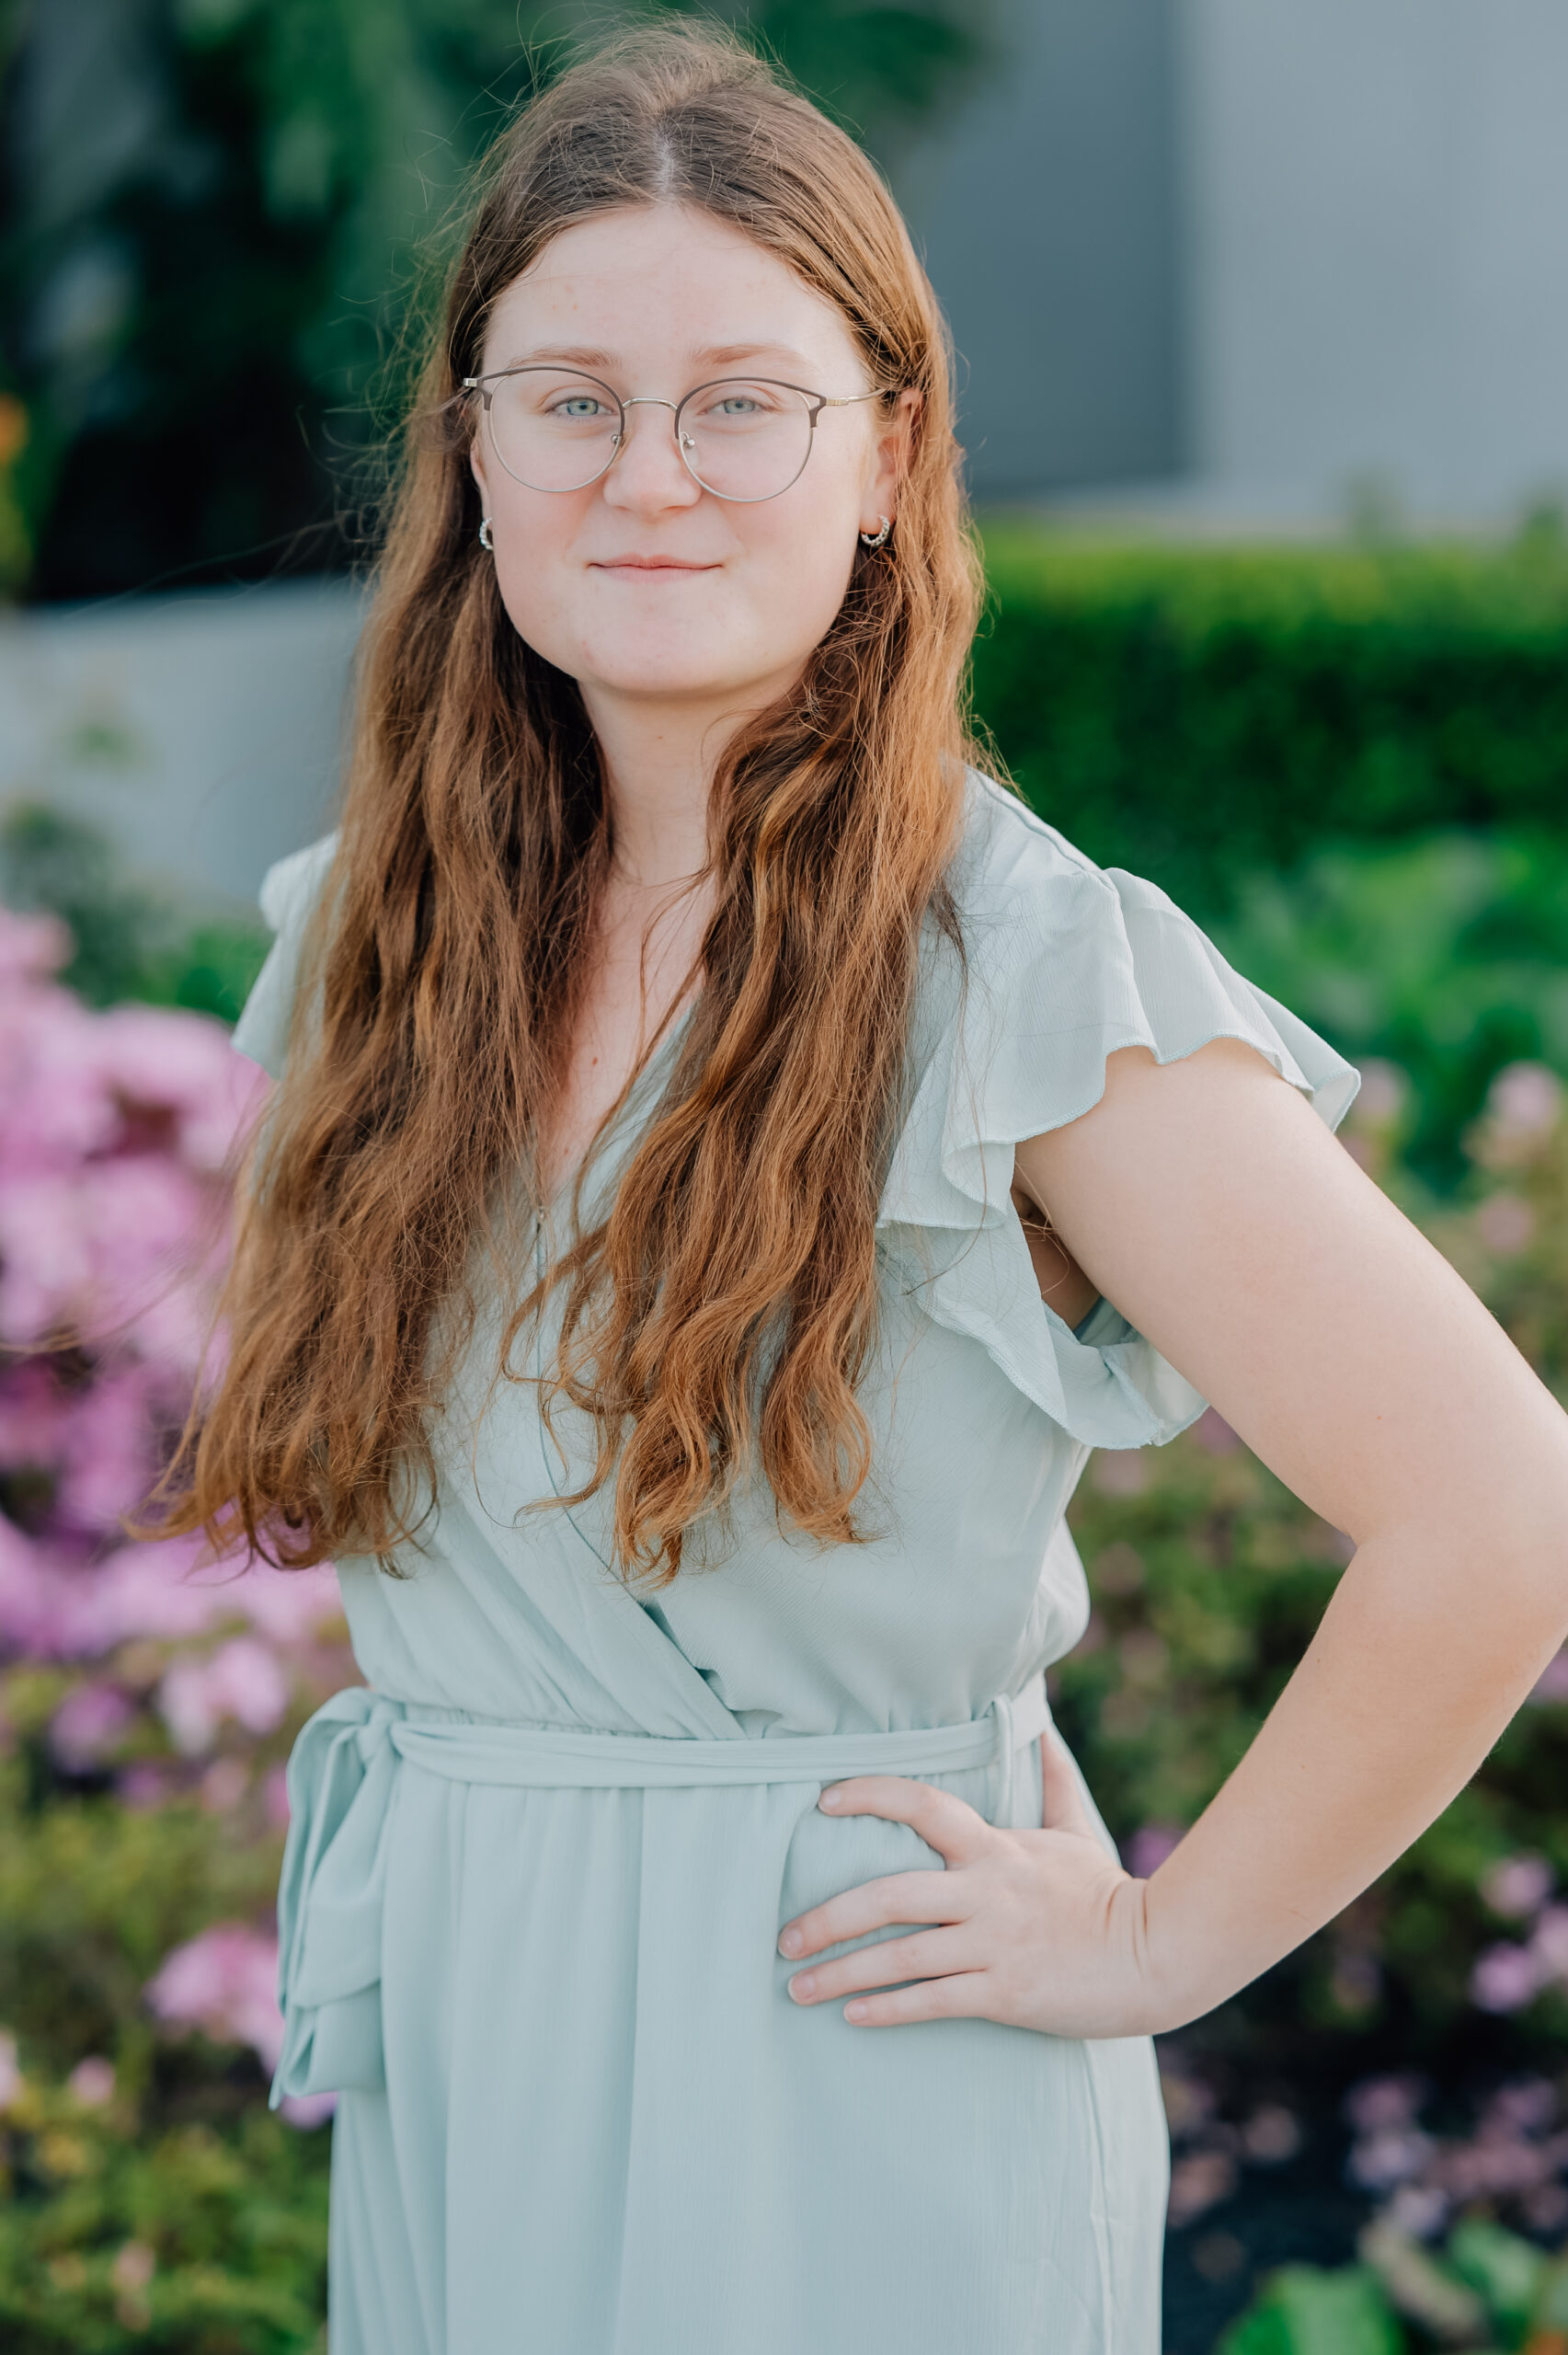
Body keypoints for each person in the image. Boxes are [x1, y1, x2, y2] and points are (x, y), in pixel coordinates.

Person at [164, 24, 1568, 2355]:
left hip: (857, 2045)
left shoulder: (1022, 974)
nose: (651, 476)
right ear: (475, 455)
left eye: (743, 400)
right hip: (468, 2024)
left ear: (889, 455)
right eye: (570, 399)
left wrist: (1158, 1938)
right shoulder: (365, 944)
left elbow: (1502, 1499)